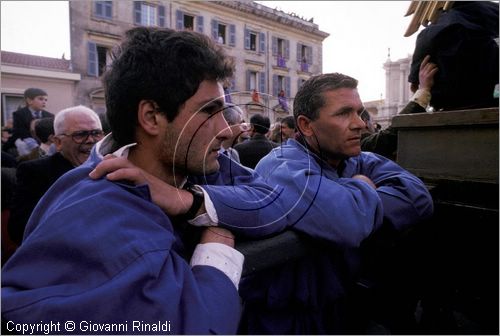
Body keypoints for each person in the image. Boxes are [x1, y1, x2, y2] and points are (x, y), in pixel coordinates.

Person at [1, 27, 287, 335]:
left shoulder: (203, 166)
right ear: (151, 117)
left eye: (224, 111)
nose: (227, 130)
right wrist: (216, 253)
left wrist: (193, 202)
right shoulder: (98, 214)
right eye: (208, 112)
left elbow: (275, 201)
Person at [238, 72, 434, 334]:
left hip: (339, 309)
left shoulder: (357, 159)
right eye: (344, 114)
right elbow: (347, 221)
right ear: (306, 126)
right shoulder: (282, 166)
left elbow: (418, 196)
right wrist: (363, 186)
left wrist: (351, 198)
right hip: (285, 320)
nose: (360, 124)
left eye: (359, 112)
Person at [8, 105, 103, 246]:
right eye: (80, 135)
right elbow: (20, 230)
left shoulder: (114, 169)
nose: (91, 140)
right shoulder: (35, 172)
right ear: (58, 142)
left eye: (96, 133)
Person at [408, 1, 498, 111]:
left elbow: (414, 86)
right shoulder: (492, 17)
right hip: (489, 103)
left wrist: (424, 88)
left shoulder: (428, 35)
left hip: (449, 109)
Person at [362, 55, 438, 160]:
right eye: (372, 121)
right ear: (365, 123)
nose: (374, 124)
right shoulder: (362, 145)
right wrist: (424, 90)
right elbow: (390, 135)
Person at [3, 88, 53, 152]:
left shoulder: (49, 116)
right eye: (41, 99)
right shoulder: (19, 114)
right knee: (22, 145)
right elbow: (20, 132)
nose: (44, 102)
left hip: (43, 141)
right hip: (24, 139)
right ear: (29, 101)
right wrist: (34, 144)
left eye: (46, 100)